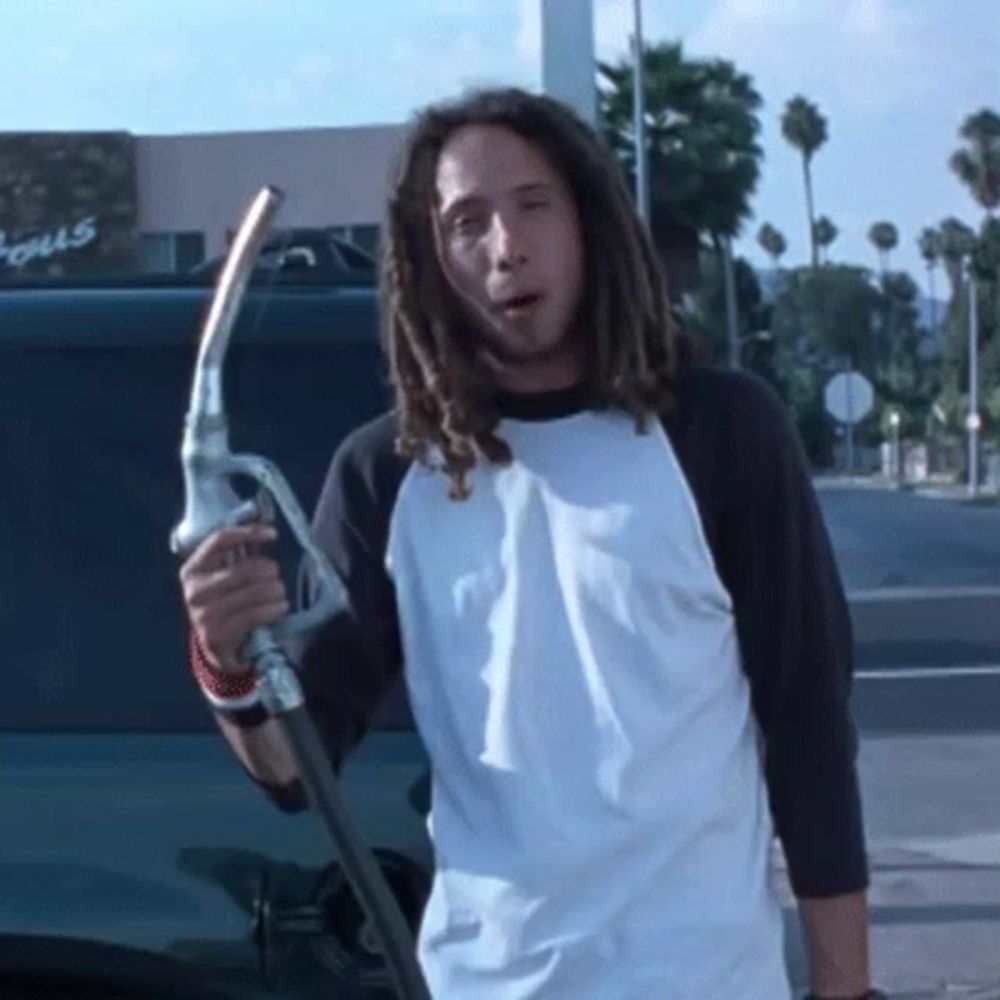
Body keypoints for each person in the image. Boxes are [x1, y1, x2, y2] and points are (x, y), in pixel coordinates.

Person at [179, 87, 878, 999]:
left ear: (588, 219)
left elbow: (810, 732)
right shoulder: (385, 475)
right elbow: (293, 769)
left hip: (706, 978)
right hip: (488, 981)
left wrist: (848, 988)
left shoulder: (721, 430)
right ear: (432, 258)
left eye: (533, 206)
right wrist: (227, 661)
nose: (506, 247)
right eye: (468, 221)